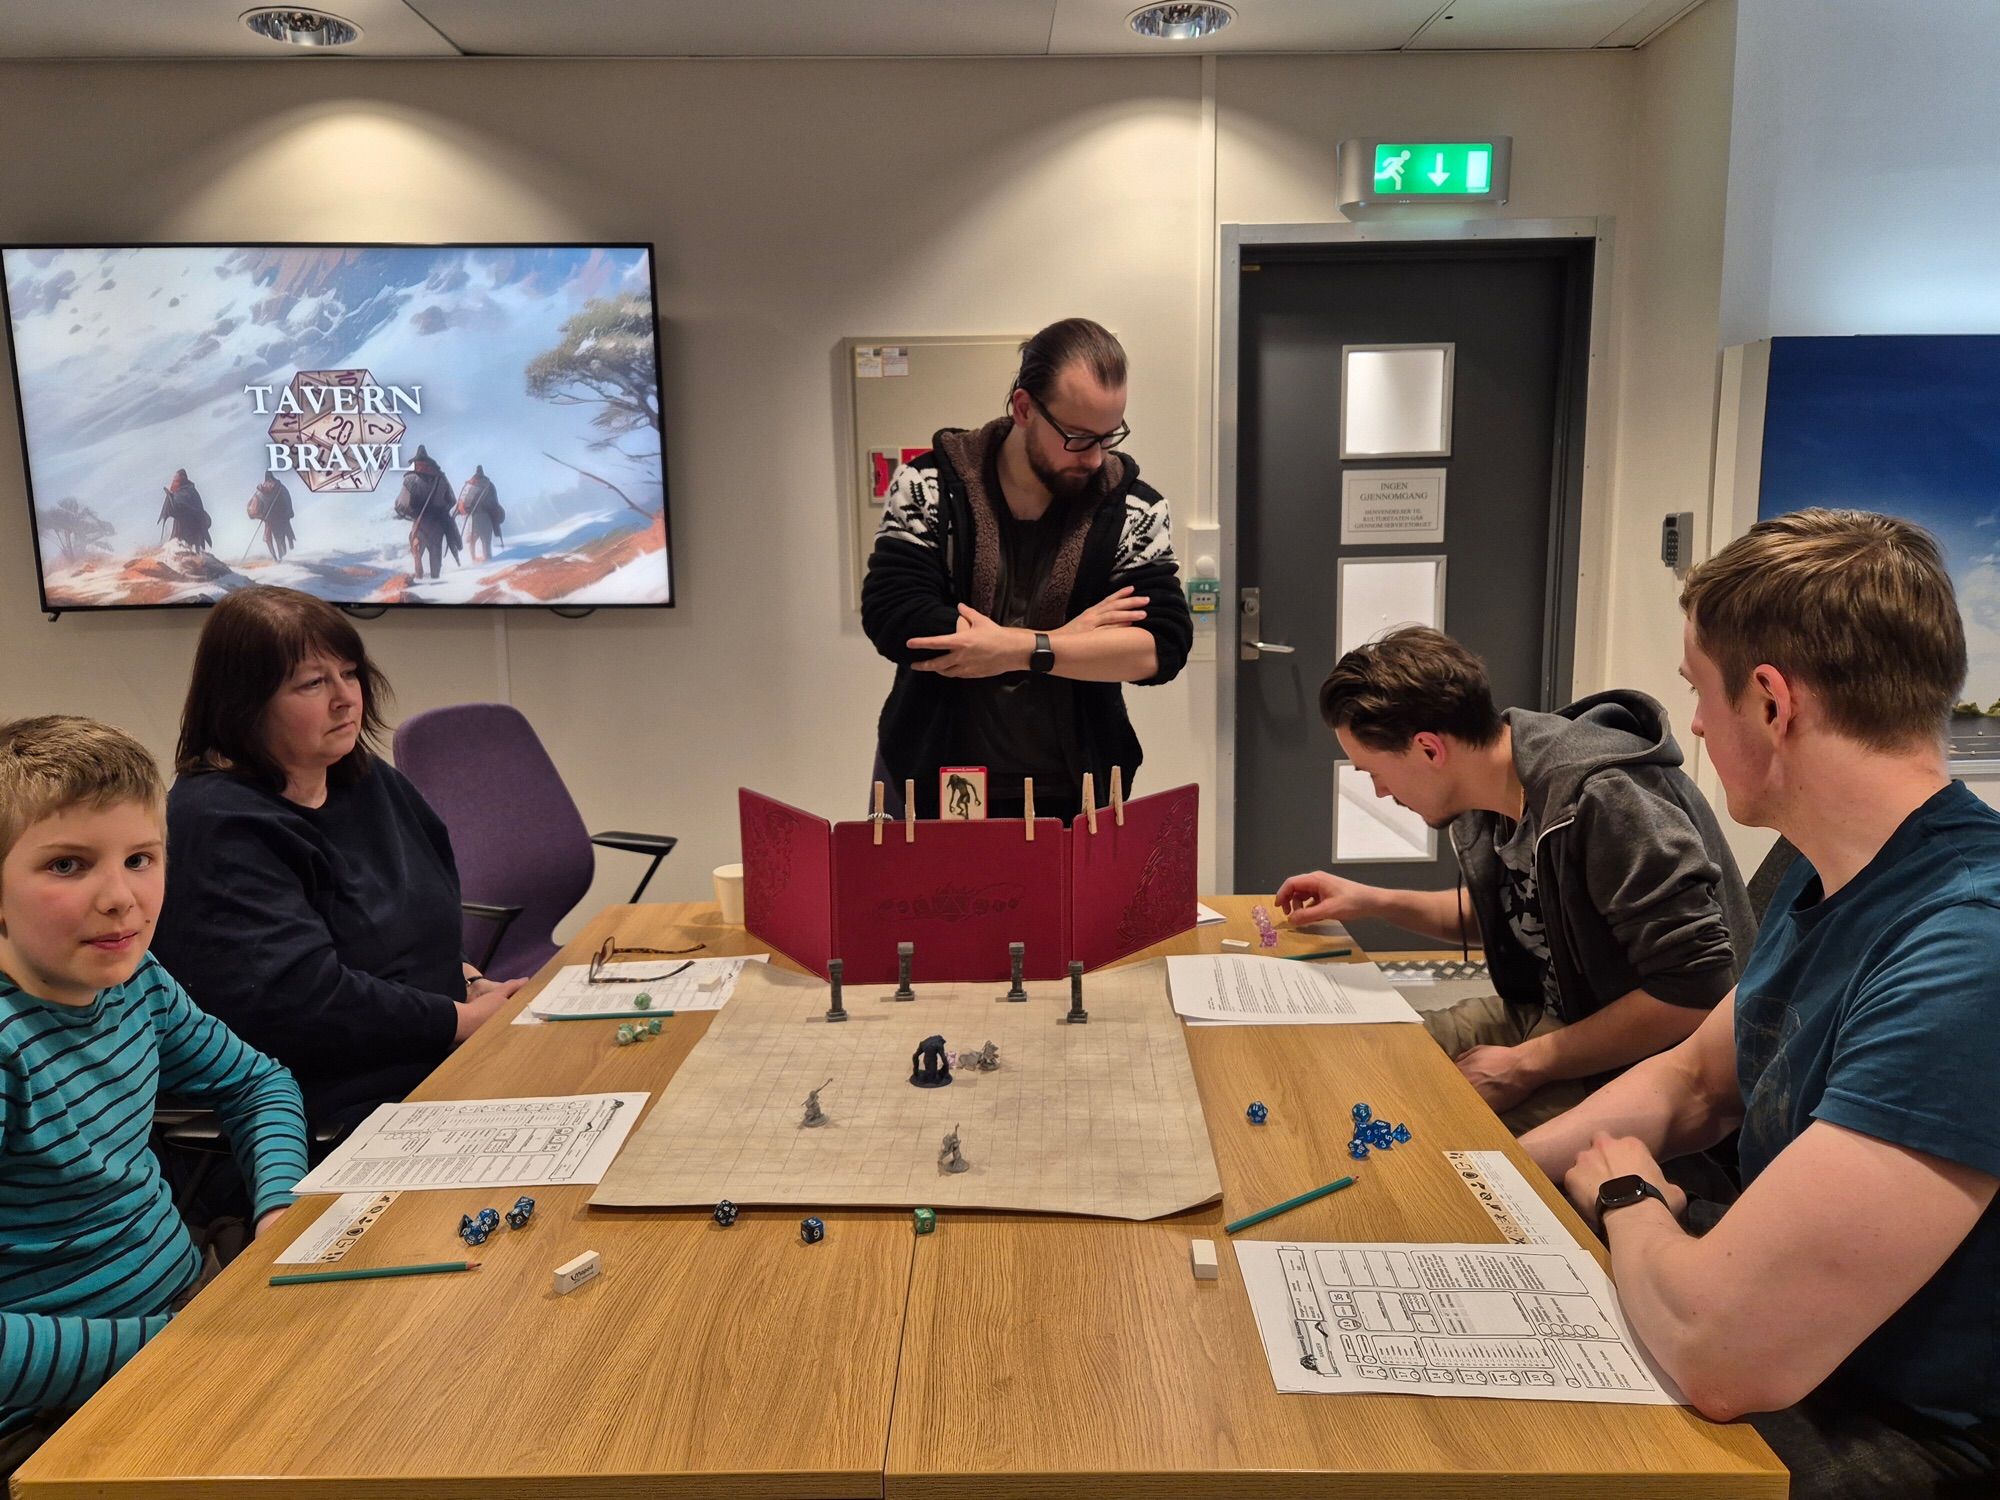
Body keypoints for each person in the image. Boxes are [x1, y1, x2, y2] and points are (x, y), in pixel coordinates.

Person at [1523, 510, 1998, 1496]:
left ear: (1772, 702)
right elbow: (1695, 1078)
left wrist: (1625, 1199)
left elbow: (1722, 1352)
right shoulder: (1826, 868)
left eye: (1699, 691)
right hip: (1805, 1354)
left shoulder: (1970, 949)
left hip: (1910, 1432)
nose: (1692, 723)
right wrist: (1472, 1177)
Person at [1277, 627, 1753, 1131]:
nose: (1378, 791)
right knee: (1364, 1060)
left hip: (1653, 1063)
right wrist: (1371, 900)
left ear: (1429, 750)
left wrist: (1527, 1064)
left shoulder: (1603, 797)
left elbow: (1697, 992)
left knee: (1429, 1139)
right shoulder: (1495, 787)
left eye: (1373, 771)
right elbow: (1522, 918)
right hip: (1559, 1015)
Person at [0, 716, 306, 1478]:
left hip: (185, 1311)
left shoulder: (136, 981)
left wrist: (280, 1209)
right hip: (56, 1411)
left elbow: (254, 1081)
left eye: (141, 859)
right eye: (69, 865)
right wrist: (171, 1343)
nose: (121, 898)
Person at [151, 586, 523, 1138]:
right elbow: (303, 1001)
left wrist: (468, 980)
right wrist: (459, 1021)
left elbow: (415, 922)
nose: (347, 699)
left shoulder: (367, 779)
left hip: (436, 1053)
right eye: (313, 683)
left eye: (349, 674)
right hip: (336, 1100)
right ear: (243, 703)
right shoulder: (218, 821)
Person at [860, 318, 1192, 820]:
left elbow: (1160, 648)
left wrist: (1023, 648)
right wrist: (1073, 641)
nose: (1097, 457)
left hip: (1077, 789)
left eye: (1110, 435)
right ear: (1023, 408)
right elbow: (896, 620)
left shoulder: (1135, 508)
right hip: (934, 780)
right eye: (1077, 436)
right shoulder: (927, 485)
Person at [393, 445, 462, 581]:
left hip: (420, 523)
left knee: (417, 553)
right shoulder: (441, 478)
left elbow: (402, 504)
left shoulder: (410, 478)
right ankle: (435, 582)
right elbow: (452, 500)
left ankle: (419, 584)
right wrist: (441, 509)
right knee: (435, 559)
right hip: (438, 523)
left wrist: (410, 512)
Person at [456, 464, 504, 564]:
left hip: (477, 517)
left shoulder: (473, 485)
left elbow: (467, 502)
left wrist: (464, 510)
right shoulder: (490, 485)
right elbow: (495, 503)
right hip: (488, 518)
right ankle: (487, 561)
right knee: (486, 542)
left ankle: (474, 560)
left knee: (473, 541)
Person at [157, 468, 211, 555]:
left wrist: (171, 497)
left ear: (181, 479)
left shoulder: (190, 492)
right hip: (180, 531)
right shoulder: (183, 492)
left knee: (188, 552)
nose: (173, 481)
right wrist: (171, 497)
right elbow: (176, 505)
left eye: (176, 479)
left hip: (191, 531)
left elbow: (189, 507)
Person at [247, 470, 296, 562]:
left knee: (280, 538)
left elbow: (287, 501)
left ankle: (281, 557)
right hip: (269, 519)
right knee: (268, 538)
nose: (268, 483)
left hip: (280, 518)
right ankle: (275, 557)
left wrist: (287, 513)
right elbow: (256, 504)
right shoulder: (261, 490)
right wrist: (260, 514)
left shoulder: (280, 488)